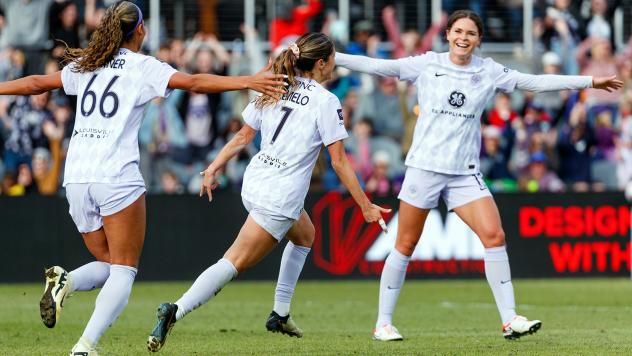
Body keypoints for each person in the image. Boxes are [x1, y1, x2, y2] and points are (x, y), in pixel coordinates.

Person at [0, 2, 285, 355]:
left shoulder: (87, 64)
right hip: (116, 175)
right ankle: (84, 346)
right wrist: (248, 80)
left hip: (75, 177)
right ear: (140, 31)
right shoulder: (142, 66)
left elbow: (34, 83)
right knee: (124, 270)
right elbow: (194, 81)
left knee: (108, 263)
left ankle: (67, 281)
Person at [334, 9, 622, 341]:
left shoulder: (488, 71)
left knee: (495, 236)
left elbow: (536, 82)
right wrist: (335, 55)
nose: (463, 38)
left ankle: (510, 319)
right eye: (458, 31)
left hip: (463, 173)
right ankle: (383, 323)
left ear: (478, 39)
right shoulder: (428, 63)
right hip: (424, 168)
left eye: (470, 33)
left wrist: (589, 81)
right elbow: (379, 66)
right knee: (405, 243)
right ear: (447, 34)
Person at [146, 32, 390, 352]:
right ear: (320, 63)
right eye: (332, 60)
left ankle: (280, 313)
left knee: (305, 235)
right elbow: (340, 162)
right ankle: (176, 309)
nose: (335, 65)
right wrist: (366, 205)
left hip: (256, 180)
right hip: (280, 196)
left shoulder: (275, 84)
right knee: (233, 262)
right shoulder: (326, 101)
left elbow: (244, 137)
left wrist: (214, 167)